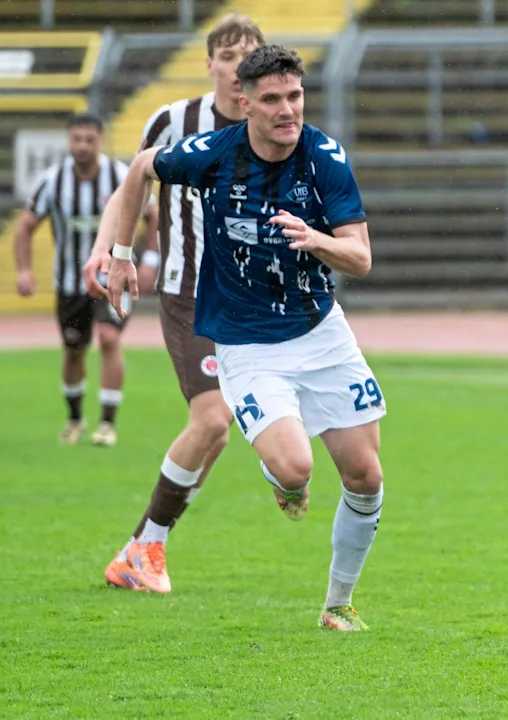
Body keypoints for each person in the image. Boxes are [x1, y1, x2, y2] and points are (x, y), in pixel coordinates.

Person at [106, 44, 385, 632]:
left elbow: (359, 257)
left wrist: (317, 240)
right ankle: (280, 477)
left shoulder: (325, 157)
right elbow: (138, 170)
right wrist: (123, 254)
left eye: (295, 96)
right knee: (295, 469)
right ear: (244, 102)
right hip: (246, 342)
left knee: (366, 475)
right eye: (272, 100)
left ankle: (338, 604)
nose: (288, 111)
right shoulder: (212, 153)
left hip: (321, 333)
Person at [84, 14, 264, 594]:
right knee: (211, 419)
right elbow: (129, 188)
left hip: (250, 298)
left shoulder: (275, 122)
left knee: (216, 434)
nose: (239, 68)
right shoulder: (175, 120)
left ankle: (141, 547)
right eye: (229, 56)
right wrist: (109, 252)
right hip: (190, 289)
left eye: (250, 56)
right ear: (209, 63)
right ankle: (146, 548)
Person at [15, 113, 158, 448]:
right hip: (71, 282)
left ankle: (107, 423)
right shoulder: (52, 180)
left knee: (109, 338)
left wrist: (151, 260)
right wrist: (24, 269)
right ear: (69, 141)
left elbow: (153, 214)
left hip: (114, 278)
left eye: (89, 139)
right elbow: (25, 226)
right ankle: (75, 418)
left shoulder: (120, 176)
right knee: (74, 349)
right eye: (76, 139)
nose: (82, 146)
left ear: (100, 140)